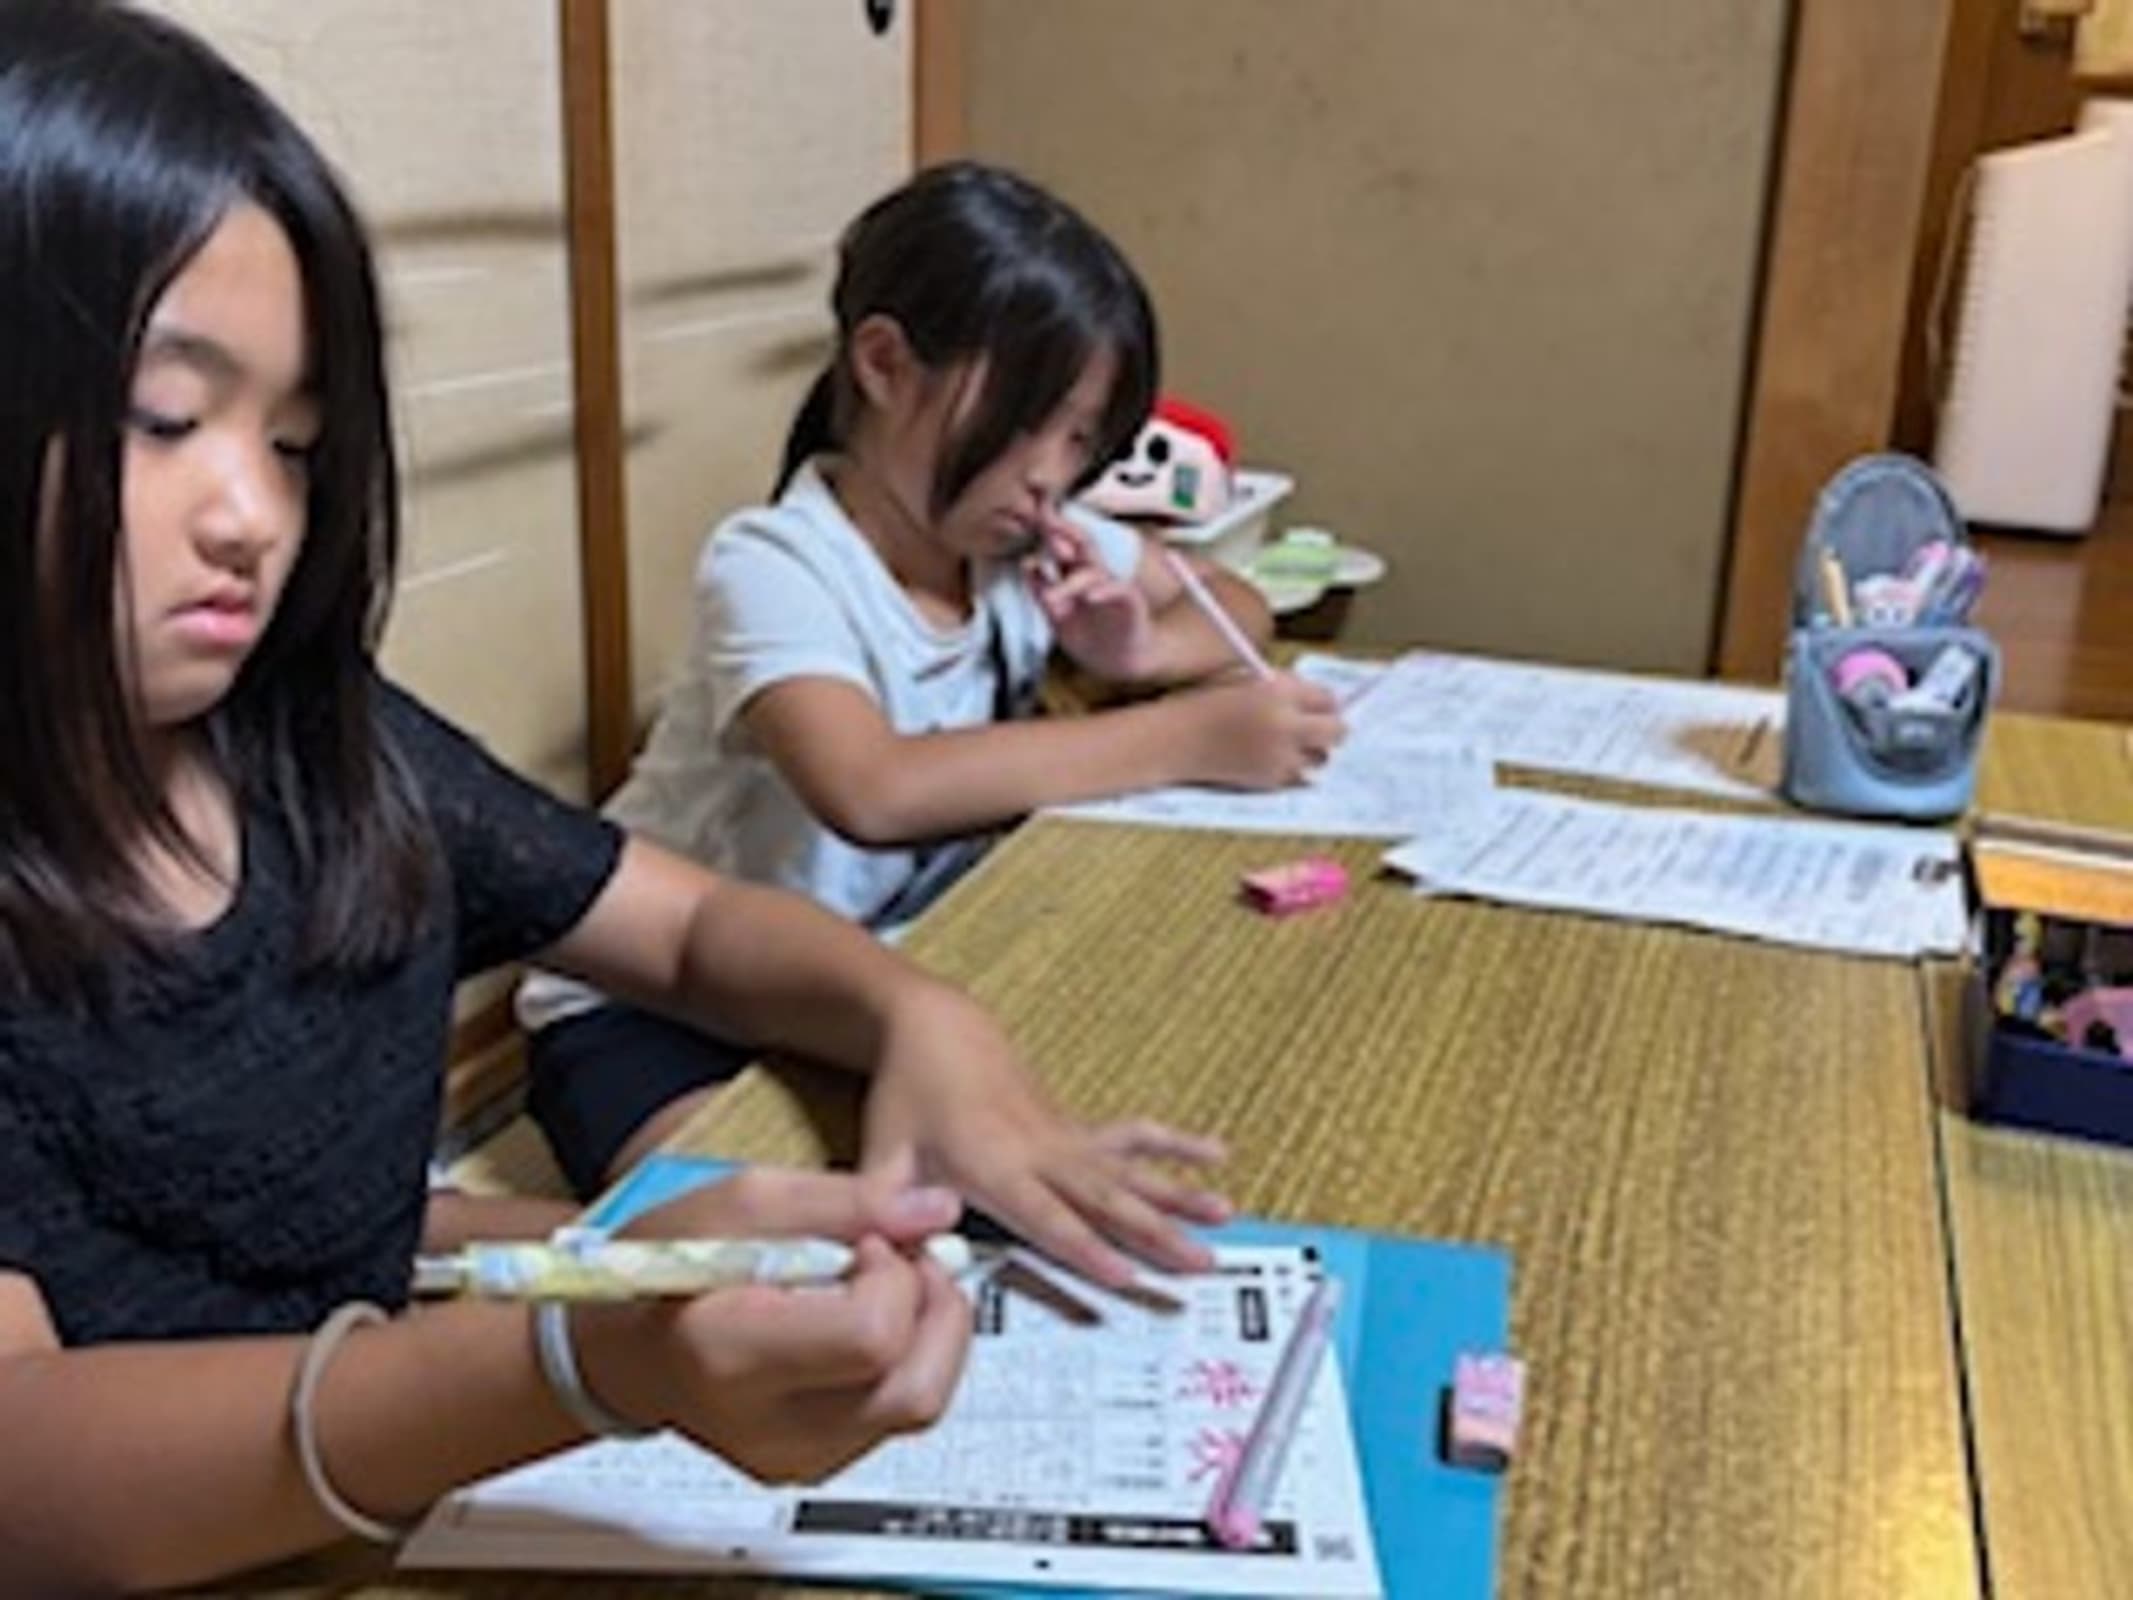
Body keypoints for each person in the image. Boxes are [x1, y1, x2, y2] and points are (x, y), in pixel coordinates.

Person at [0, 5, 1229, 1589]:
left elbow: (692, 926)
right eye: (165, 419)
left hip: (382, 1421)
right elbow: (29, 1469)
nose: (253, 512)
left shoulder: (318, 744)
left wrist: (923, 1019)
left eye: (295, 442)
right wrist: (570, 1363)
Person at [520, 162, 1345, 1196]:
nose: (1050, 472)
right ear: (884, 364)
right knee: (782, 1250)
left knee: (1096, 1145)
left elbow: (1236, 599)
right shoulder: (777, 562)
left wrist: (1139, 653)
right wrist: (1190, 739)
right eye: (1026, 418)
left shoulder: (1023, 536)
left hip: (876, 984)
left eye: (1080, 437)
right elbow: (873, 789)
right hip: (654, 1008)